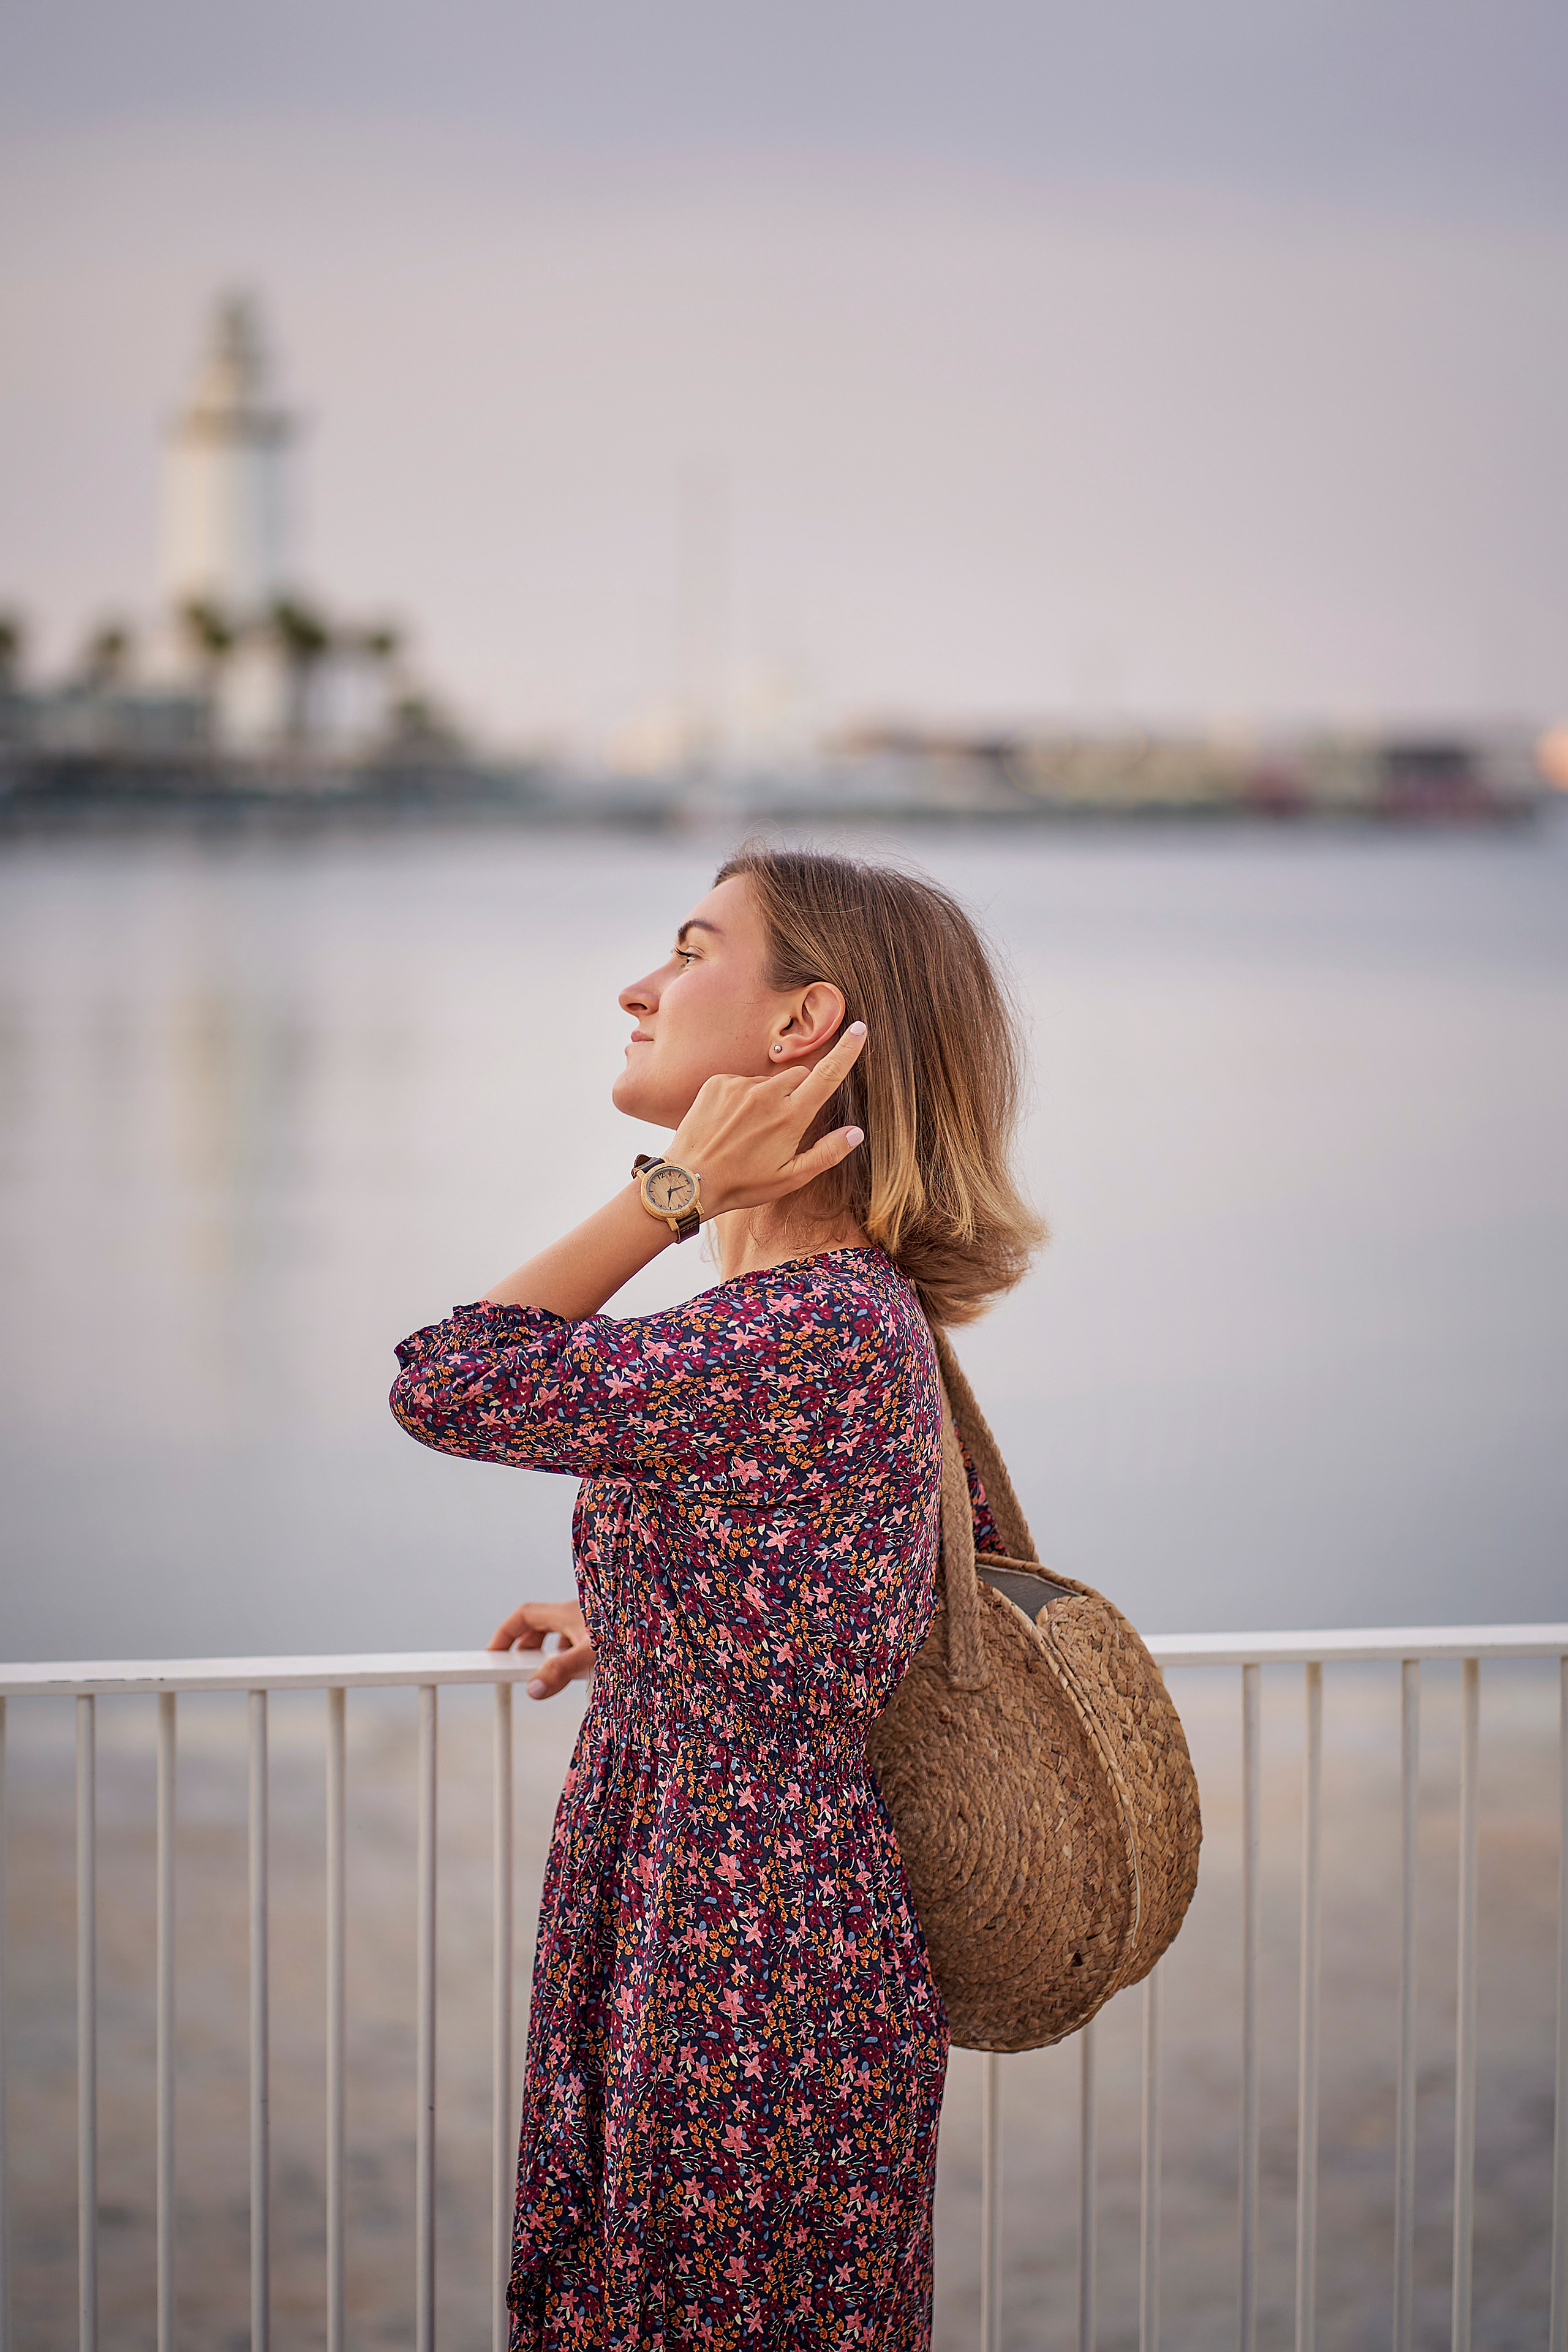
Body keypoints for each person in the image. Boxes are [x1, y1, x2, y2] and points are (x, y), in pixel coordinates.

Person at [389, 844, 1044, 2350]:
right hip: (742, 1901)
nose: (638, 986)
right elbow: (864, 1581)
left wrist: (668, 1193)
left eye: (689, 949)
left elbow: (447, 1381)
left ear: (800, 1028)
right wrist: (657, 1631)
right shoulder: (832, 1316)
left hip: (737, 1937)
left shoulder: (797, 1327)